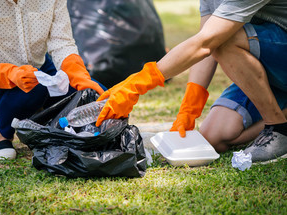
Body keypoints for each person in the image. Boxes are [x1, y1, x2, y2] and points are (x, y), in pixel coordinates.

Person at [95, 0, 287, 163]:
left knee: (223, 39)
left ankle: (277, 127)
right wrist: (189, 108)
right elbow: (205, 41)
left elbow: (207, 42)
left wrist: (137, 84)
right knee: (214, 136)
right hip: (270, 71)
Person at [0, 0, 105, 160]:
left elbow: (62, 42)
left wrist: (79, 76)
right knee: (36, 89)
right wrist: (11, 74)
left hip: (40, 68)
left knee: (96, 93)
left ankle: (43, 118)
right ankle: (2, 135)